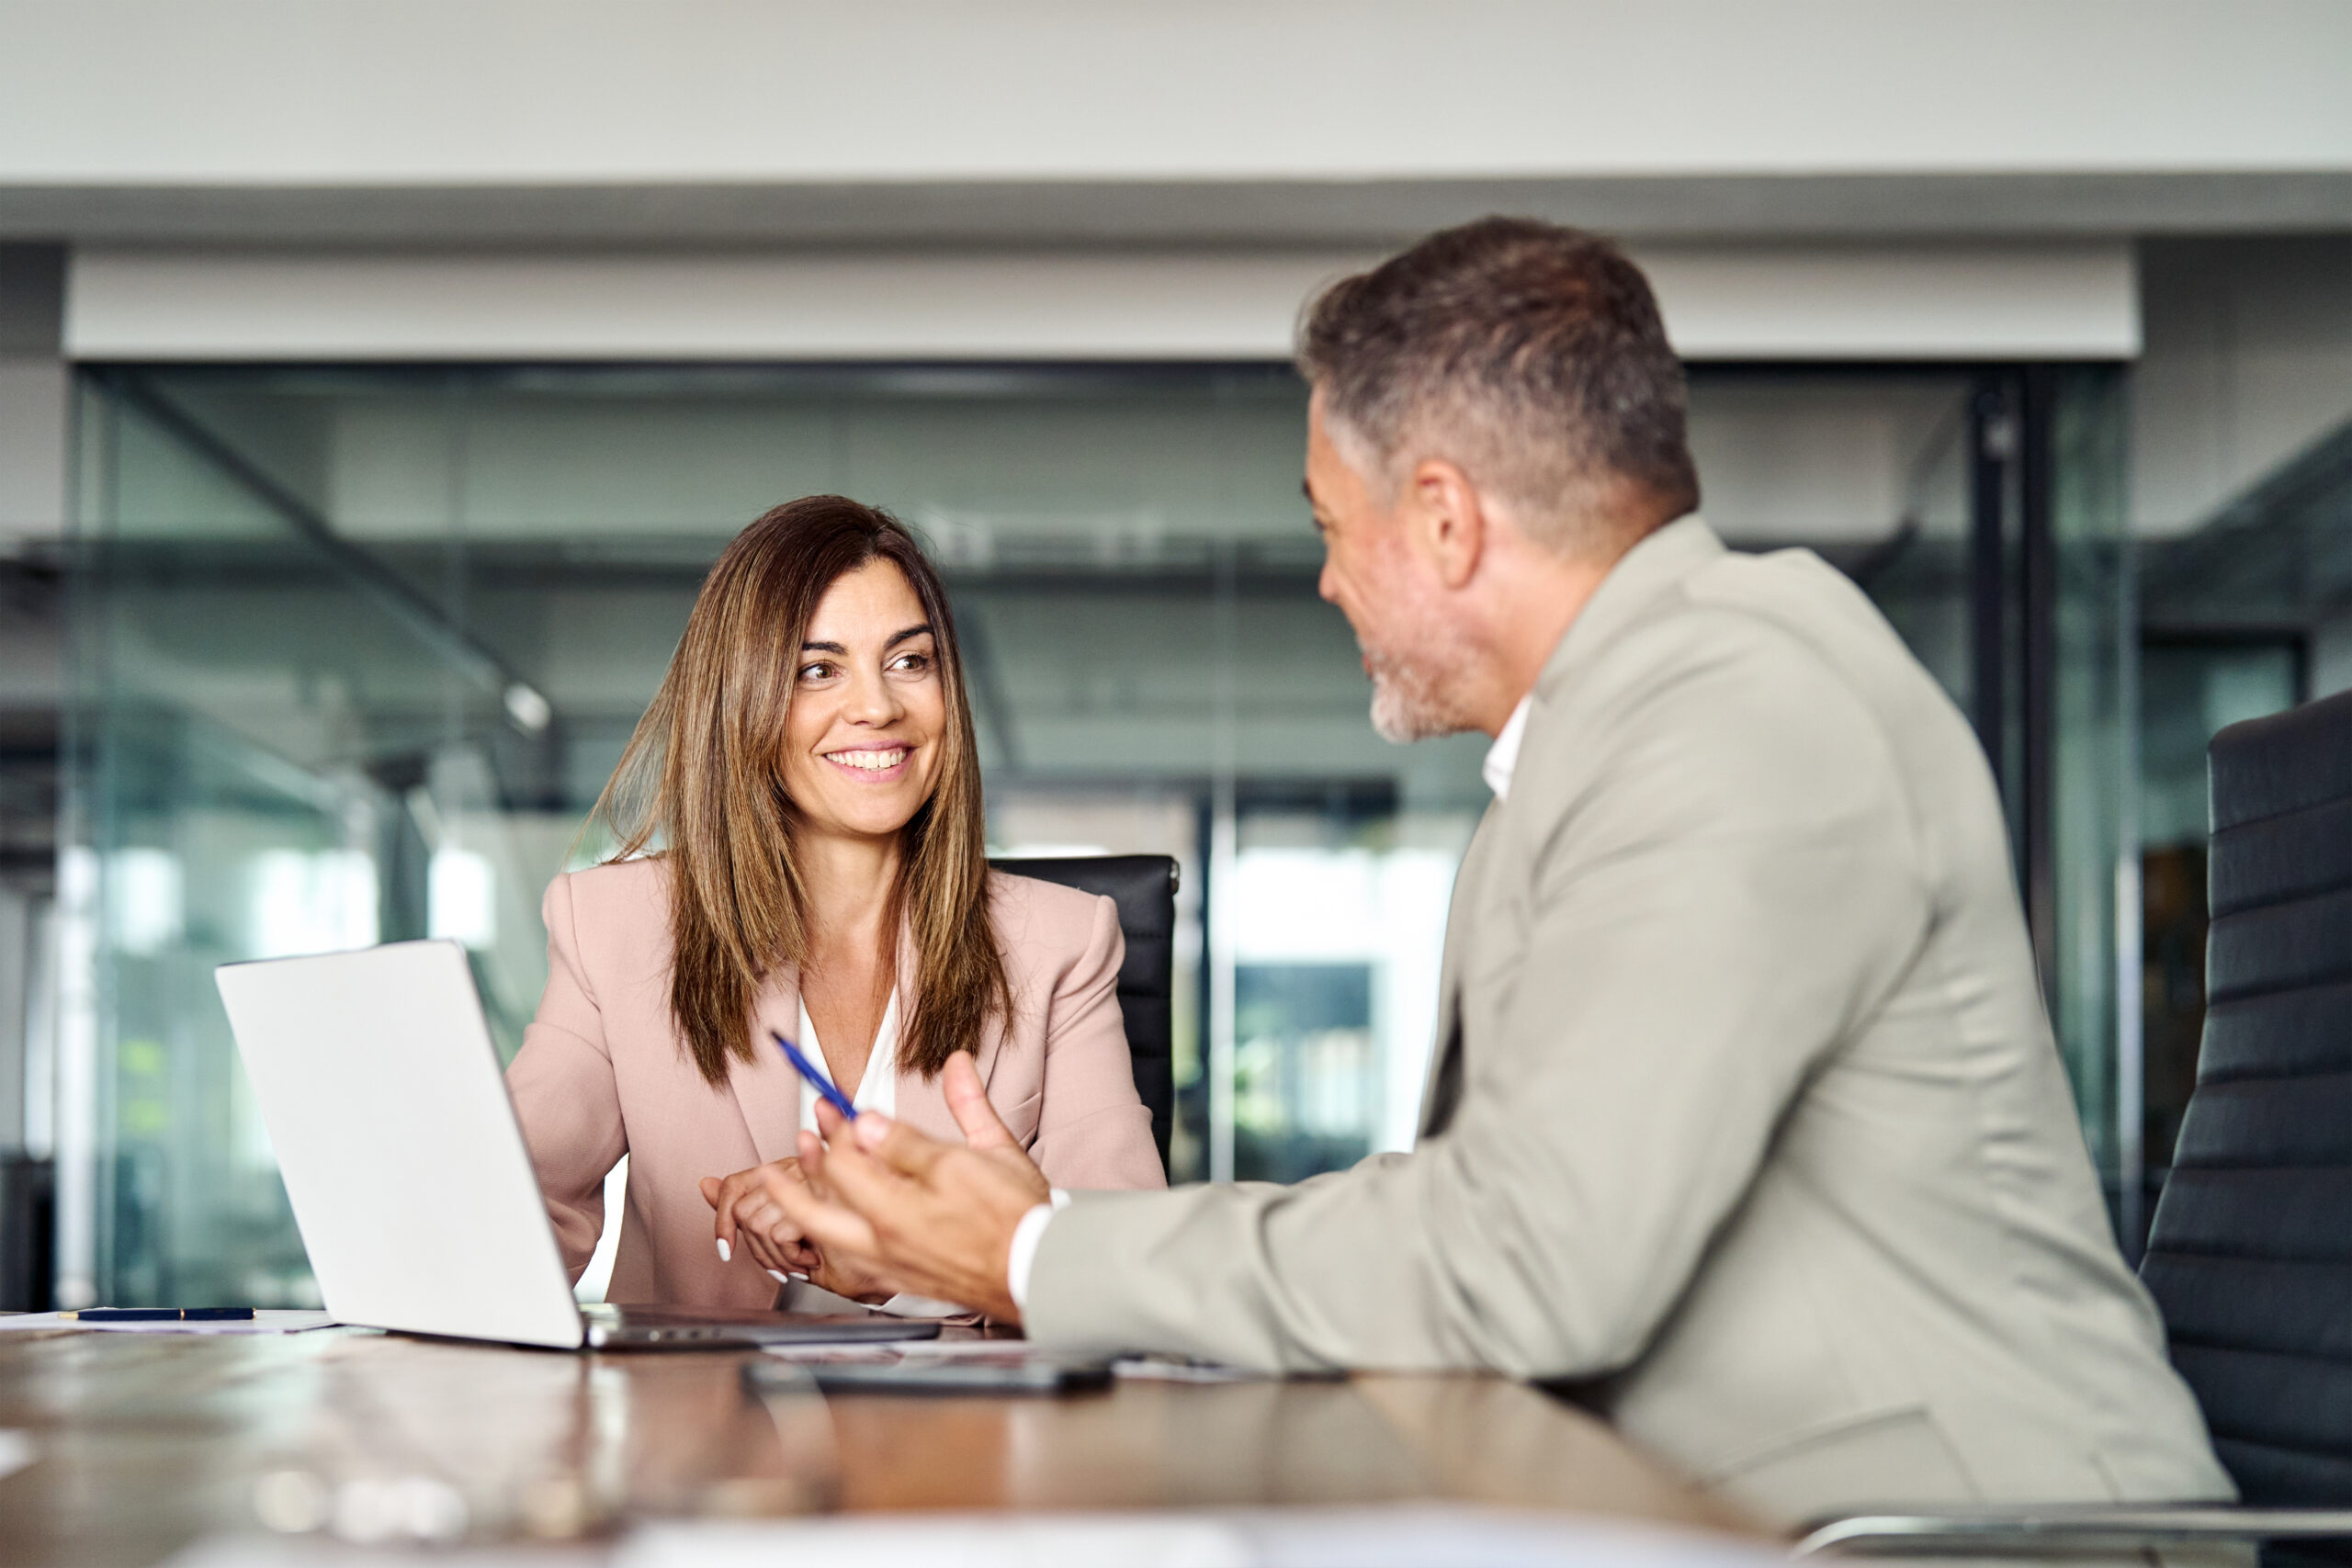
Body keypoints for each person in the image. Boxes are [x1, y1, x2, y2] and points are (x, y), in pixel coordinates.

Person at [742, 220, 2234, 1524]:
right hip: (1706, 1510)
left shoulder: (1740, 706)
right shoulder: (1581, 757)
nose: (1328, 579)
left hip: (1979, 1534)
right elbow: (1477, 1212)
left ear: (1446, 522)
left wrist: (1043, 1248)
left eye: (1335, 528)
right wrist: (1018, 1243)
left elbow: (1526, 1259)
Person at [506, 496, 1164, 1314]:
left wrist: (900, 1246)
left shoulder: (1063, 943)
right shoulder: (614, 927)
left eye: (909, 661)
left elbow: (1132, 1268)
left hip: (973, 1438)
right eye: (818, 669)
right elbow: (505, 1223)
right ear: (741, 701)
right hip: (702, 1437)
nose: (878, 707)